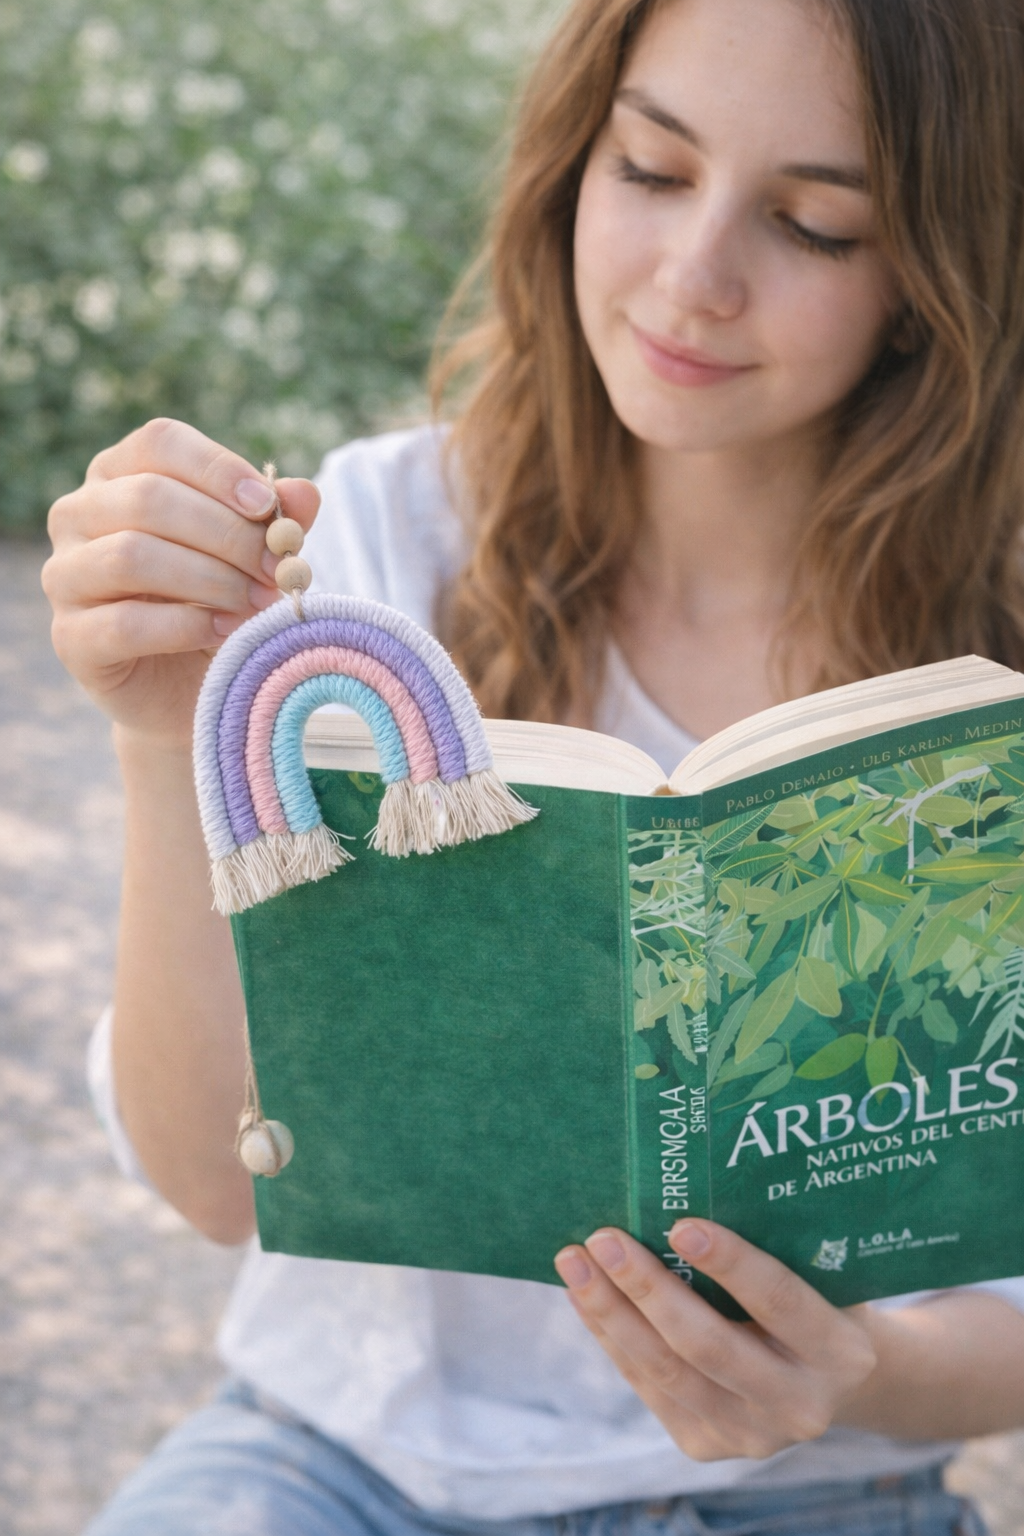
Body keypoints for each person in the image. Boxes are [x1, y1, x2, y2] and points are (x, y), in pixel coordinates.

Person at [42, 0, 1024, 1531]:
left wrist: (855, 1372)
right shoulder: (368, 556)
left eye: (815, 225)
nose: (693, 278)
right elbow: (219, 1182)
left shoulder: (990, 685)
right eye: (651, 169)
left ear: (932, 279)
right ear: (573, 164)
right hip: (342, 1465)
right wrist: (163, 735)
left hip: (814, 1494)